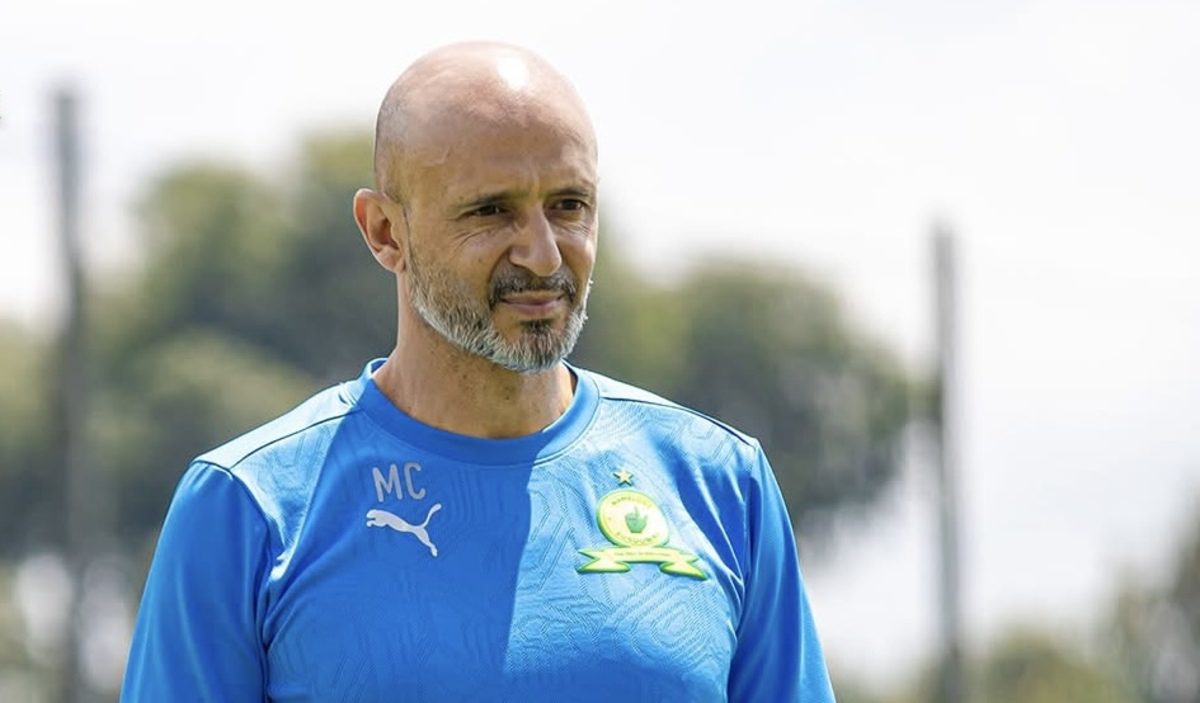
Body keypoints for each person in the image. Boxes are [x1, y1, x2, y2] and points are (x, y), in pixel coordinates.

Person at [121, 42, 836, 702]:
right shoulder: (248, 508)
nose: (544, 254)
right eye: (491, 211)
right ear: (384, 232)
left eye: (569, 206)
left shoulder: (721, 485)